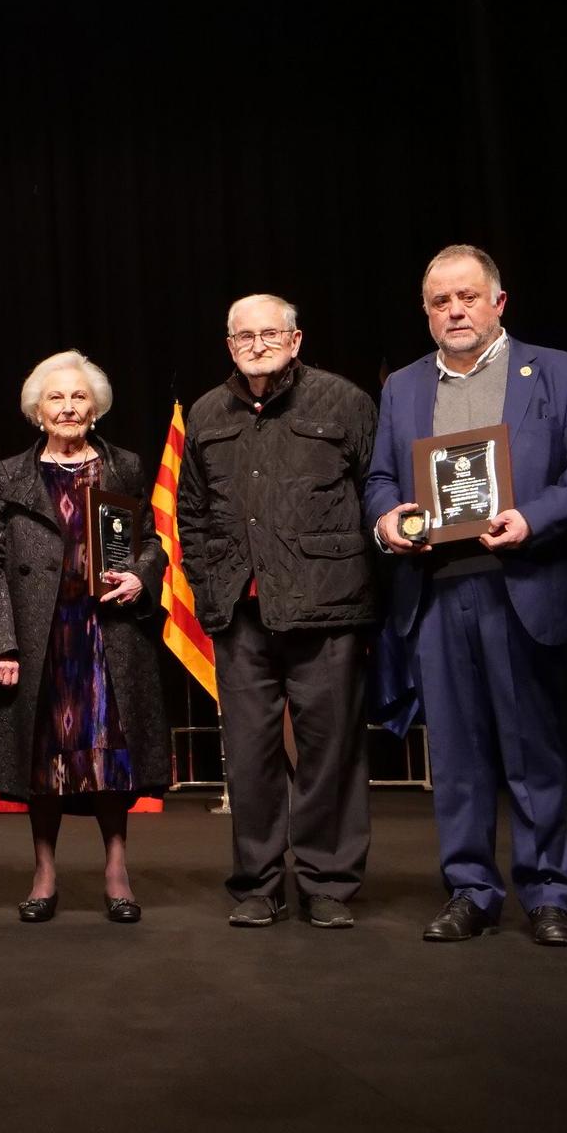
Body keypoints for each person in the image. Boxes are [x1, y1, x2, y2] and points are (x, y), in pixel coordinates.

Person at [366, 245, 567, 946]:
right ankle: (472, 888)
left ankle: (546, 892)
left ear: (497, 302)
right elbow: (381, 480)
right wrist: (388, 521)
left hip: (523, 583)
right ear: (426, 312)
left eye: (468, 297)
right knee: (456, 754)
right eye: (441, 301)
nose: (455, 310)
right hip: (438, 591)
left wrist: (532, 518)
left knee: (531, 749)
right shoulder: (403, 389)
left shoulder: (560, 372)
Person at [177, 293, 378, 930]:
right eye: (243, 336)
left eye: (269, 334)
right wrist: (212, 593)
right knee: (250, 754)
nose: (256, 345)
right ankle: (257, 883)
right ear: (229, 345)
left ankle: (327, 883)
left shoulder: (344, 402)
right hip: (241, 613)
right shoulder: (207, 412)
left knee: (329, 753)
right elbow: (191, 514)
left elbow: (380, 497)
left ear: (296, 340)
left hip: (328, 609)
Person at [0, 350, 168, 923]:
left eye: (79, 397)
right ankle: (44, 871)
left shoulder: (123, 467)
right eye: (56, 397)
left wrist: (141, 575)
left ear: (96, 408)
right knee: (43, 759)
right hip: (42, 639)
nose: (68, 407)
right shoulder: (10, 476)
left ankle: (116, 870)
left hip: (108, 633)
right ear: (37, 411)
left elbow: (151, 542)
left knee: (111, 758)